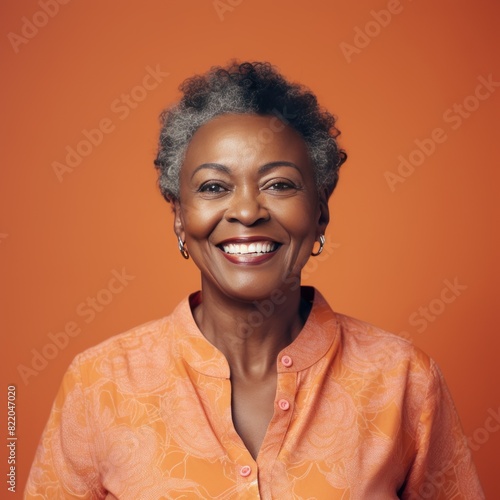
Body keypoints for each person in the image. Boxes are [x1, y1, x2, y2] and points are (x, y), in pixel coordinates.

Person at [25, 61, 484, 499]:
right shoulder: (98, 384)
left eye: (279, 184)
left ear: (320, 213)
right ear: (181, 221)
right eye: (213, 187)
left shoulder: (404, 380)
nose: (247, 211)